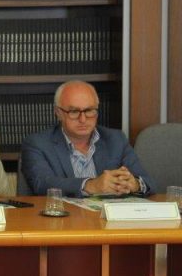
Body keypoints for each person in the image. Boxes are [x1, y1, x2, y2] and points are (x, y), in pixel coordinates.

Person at [20, 80, 155, 197]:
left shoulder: (116, 139)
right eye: (74, 112)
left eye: (89, 110)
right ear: (58, 113)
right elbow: (42, 184)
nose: (83, 119)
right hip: (66, 216)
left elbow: (149, 183)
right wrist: (90, 185)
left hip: (107, 216)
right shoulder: (37, 143)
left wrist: (134, 184)